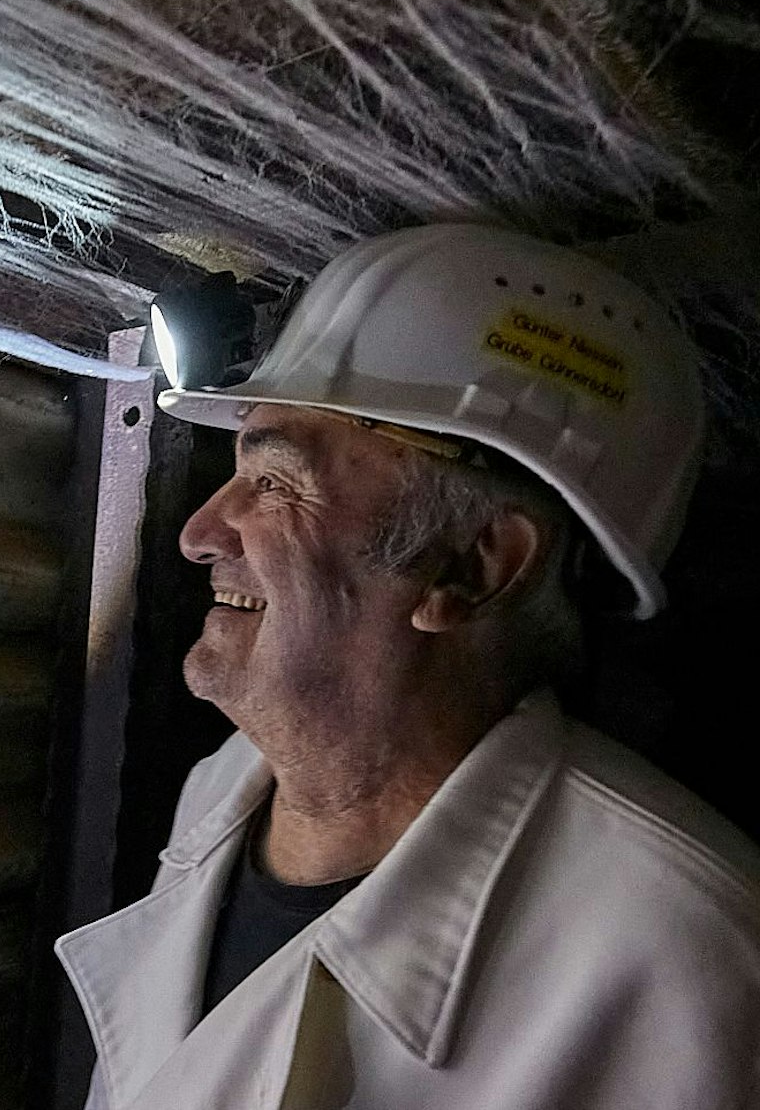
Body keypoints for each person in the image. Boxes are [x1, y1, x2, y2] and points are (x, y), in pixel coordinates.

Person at [55, 225, 760, 1109]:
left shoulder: (698, 964)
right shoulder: (218, 793)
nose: (200, 534)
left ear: (470, 566)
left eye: (274, 485)